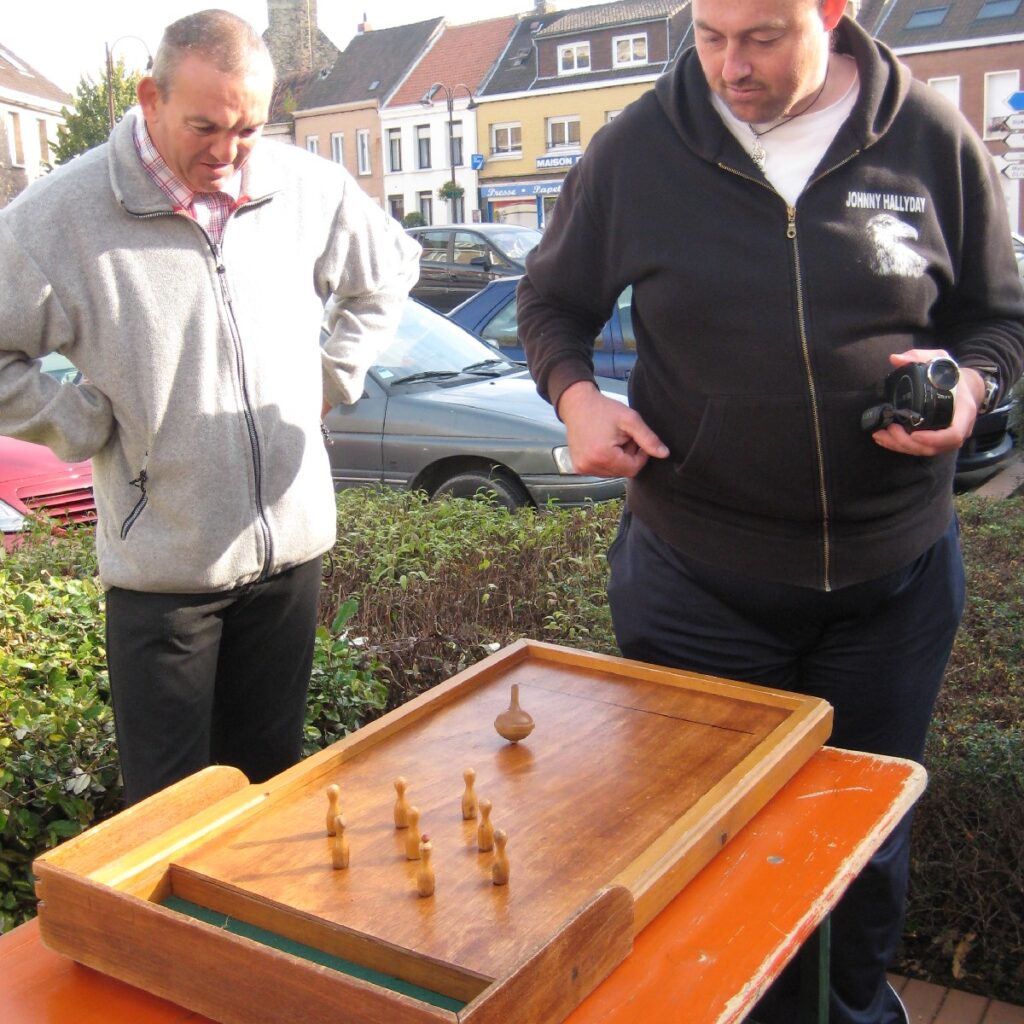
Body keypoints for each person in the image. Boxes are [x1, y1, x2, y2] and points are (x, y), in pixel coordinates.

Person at [517, 2, 1024, 1023]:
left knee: (865, 843)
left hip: (892, 579)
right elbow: (551, 305)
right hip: (698, 576)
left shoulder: (930, 135)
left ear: (830, 13)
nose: (728, 65)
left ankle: (855, 1008)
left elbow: (999, 321)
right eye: (708, 35)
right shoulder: (635, 150)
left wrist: (966, 392)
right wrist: (579, 398)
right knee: (712, 846)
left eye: (759, 37)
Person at [0, 11, 420, 806]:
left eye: (248, 129)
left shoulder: (301, 185)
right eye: (205, 126)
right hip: (166, 576)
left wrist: (334, 376)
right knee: (167, 821)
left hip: (289, 556)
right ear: (149, 96)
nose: (227, 154)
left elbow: (389, 269)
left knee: (268, 805)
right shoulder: (58, 217)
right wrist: (80, 422)